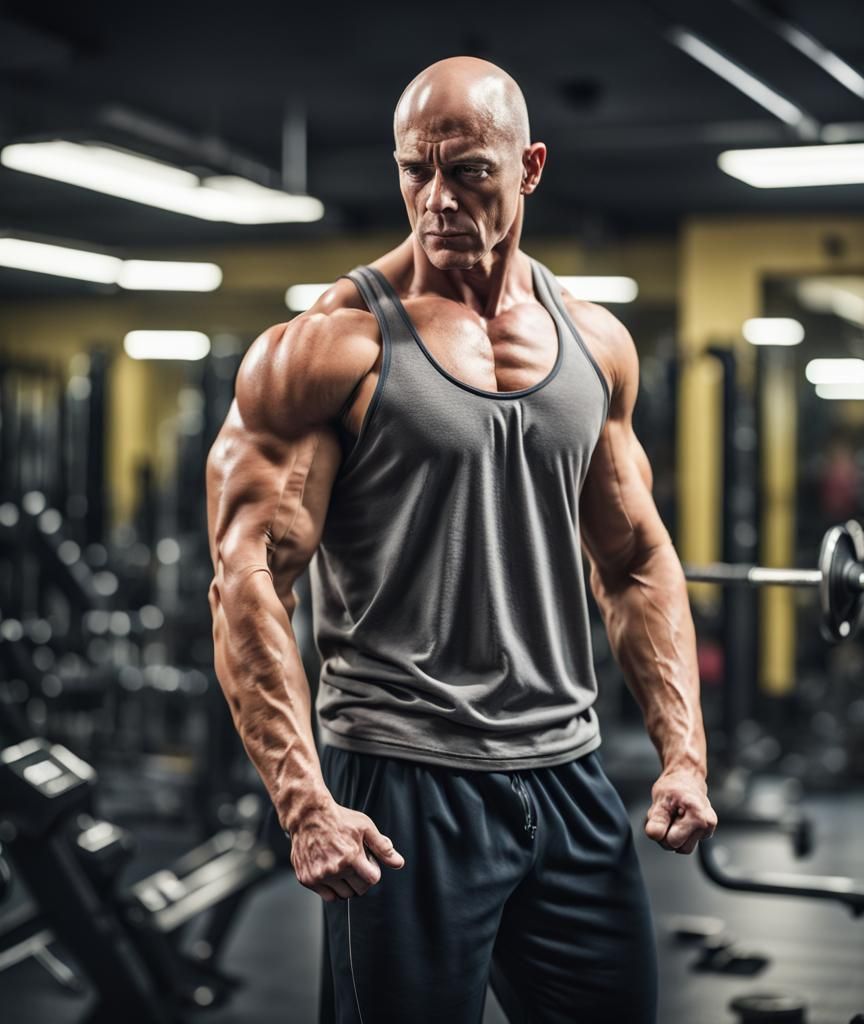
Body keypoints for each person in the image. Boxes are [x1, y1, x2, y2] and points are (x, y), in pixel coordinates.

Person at [206, 55, 716, 1024]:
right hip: (402, 780)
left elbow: (636, 559)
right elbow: (247, 577)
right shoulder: (328, 345)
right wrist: (303, 800)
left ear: (528, 166)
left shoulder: (595, 343)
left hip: (569, 772)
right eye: (414, 170)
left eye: (468, 171)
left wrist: (681, 753)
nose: (435, 198)